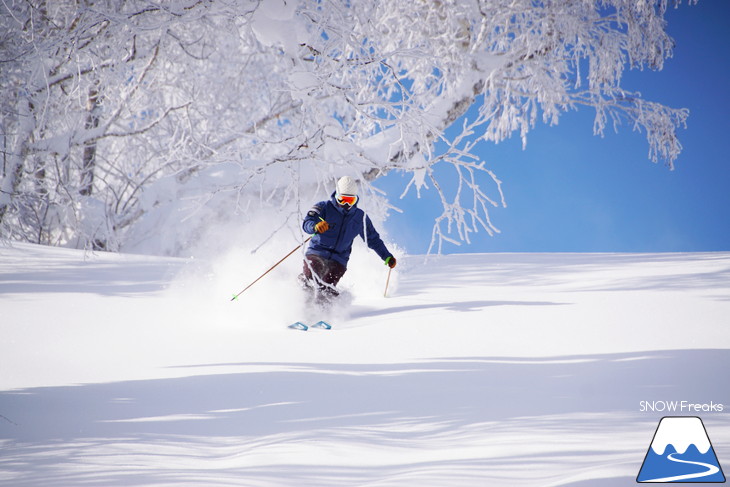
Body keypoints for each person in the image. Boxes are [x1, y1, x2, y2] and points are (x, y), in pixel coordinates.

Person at [300, 176, 396, 304]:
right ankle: (300, 310)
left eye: (350, 201)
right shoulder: (323, 207)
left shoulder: (359, 217)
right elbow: (307, 222)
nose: (346, 205)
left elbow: (373, 239)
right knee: (311, 280)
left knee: (326, 288)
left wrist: (387, 256)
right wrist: (315, 226)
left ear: (355, 200)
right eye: (342, 199)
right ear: (336, 196)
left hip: (339, 260)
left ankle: (322, 314)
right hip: (317, 253)